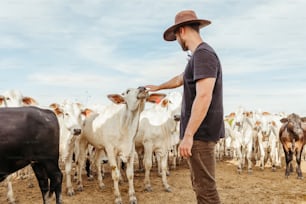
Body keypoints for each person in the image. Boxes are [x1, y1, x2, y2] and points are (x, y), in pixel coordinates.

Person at [145, 10, 224, 204]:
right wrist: (159, 86)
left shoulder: (203, 55)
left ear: (181, 31)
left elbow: (204, 96)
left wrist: (188, 135)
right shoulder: (198, 56)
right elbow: (181, 78)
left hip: (200, 134)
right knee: (200, 186)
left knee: (206, 190)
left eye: (176, 37)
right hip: (199, 134)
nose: (177, 42)